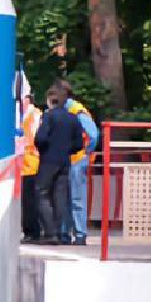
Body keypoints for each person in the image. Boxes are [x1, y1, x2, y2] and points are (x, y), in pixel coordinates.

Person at [34, 86, 83, 245]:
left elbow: (40, 138)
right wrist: (66, 151)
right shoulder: (73, 117)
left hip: (48, 160)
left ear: (51, 100)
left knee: (41, 192)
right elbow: (79, 144)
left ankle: (50, 233)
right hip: (65, 161)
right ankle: (60, 232)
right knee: (60, 197)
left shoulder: (49, 116)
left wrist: (43, 149)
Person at [55, 81, 99, 245]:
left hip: (77, 159)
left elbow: (93, 134)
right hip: (71, 158)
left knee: (76, 197)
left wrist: (86, 153)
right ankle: (67, 233)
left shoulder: (77, 111)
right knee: (68, 197)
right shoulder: (68, 110)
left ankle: (80, 234)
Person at [19, 89, 43, 242]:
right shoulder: (22, 115)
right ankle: (29, 230)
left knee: (30, 200)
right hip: (23, 163)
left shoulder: (34, 115)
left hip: (32, 162)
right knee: (26, 200)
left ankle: (32, 232)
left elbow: (34, 137)